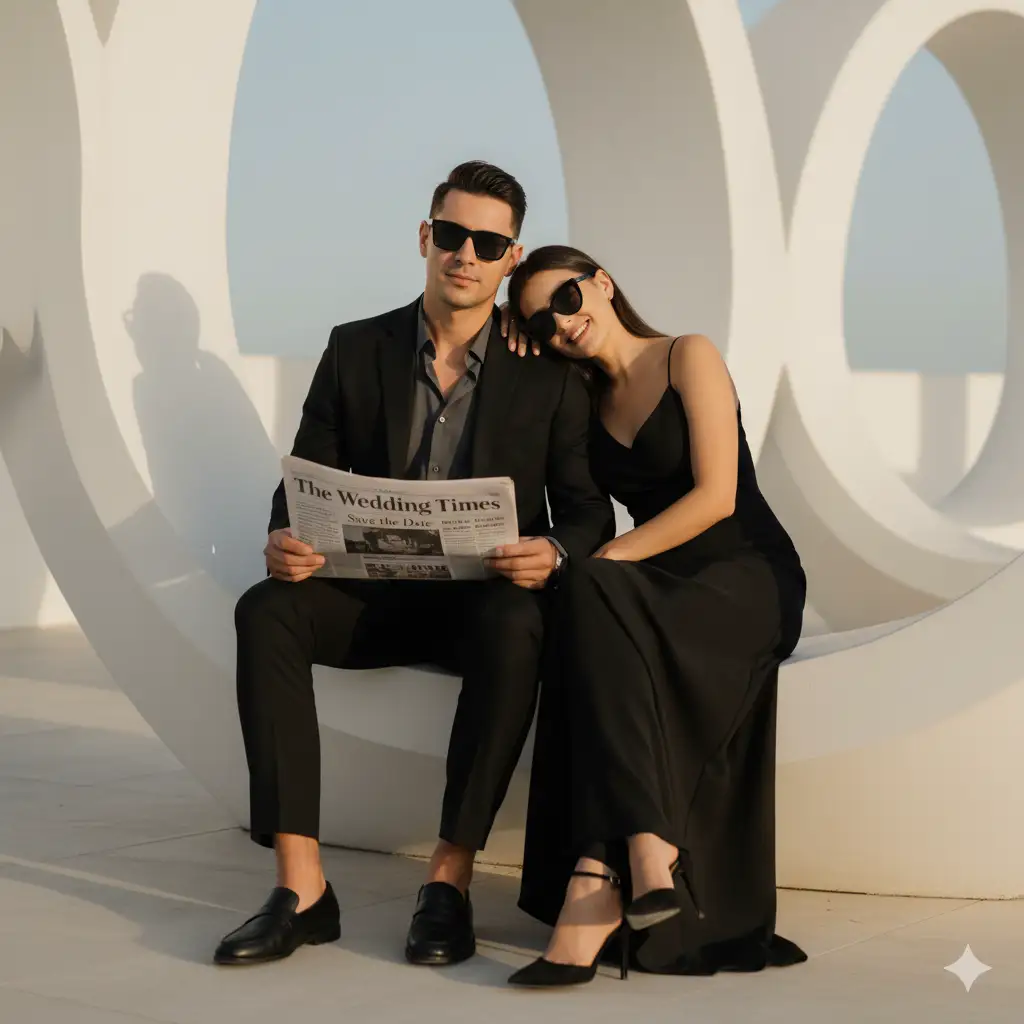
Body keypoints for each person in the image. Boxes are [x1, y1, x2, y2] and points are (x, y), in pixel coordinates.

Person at [214, 166, 614, 967]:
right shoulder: (354, 347)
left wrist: (552, 550)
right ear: (426, 237)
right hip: (372, 596)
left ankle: (448, 881)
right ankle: (302, 888)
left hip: (483, 605)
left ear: (511, 258)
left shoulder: (547, 372)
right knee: (265, 609)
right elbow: (304, 474)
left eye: (489, 244)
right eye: (453, 235)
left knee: (518, 624)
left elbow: (587, 509)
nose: (467, 255)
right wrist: (284, 534)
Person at [501, 245, 808, 986]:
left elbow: (717, 497)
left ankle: (598, 879)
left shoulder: (686, 355)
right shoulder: (581, 398)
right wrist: (510, 342)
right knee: (582, 606)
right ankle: (640, 850)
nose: (560, 324)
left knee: (587, 585)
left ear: (602, 283)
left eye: (567, 299)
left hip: (747, 575)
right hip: (662, 582)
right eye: (540, 322)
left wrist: (611, 559)